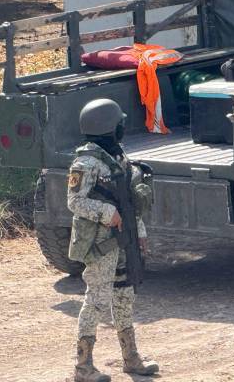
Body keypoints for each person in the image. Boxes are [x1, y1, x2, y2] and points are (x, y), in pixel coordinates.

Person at [67, 98, 158, 381]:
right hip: (101, 242)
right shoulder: (85, 163)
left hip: (125, 239)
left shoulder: (119, 157)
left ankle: (131, 358)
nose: (123, 127)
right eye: (119, 123)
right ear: (109, 127)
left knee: (124, 297)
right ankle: (83, 367)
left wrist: (140, 233)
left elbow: (130, 201)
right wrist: (107, 212)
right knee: (96, 299)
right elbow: (74, 201)